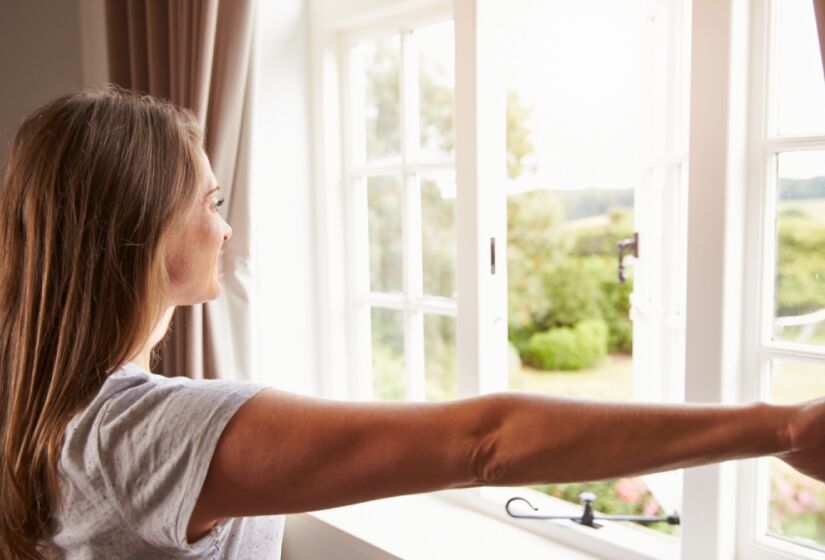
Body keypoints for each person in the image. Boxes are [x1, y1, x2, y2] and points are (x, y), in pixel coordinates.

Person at [1, 87, 823, 560]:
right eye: (210, 203)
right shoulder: (143, 428)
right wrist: (782, 426)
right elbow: (485, 442)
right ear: (144, 230)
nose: (224, 228)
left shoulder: (47, 398)